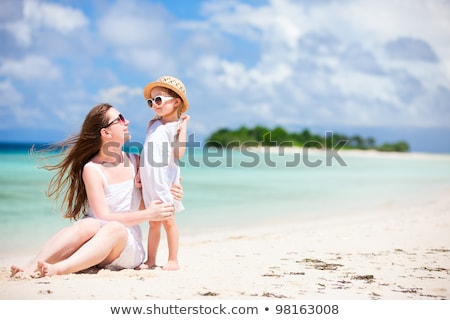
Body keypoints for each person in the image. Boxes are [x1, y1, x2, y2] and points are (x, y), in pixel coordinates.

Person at [10, 103, 183, 277]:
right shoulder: (92, 169)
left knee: (114, 227)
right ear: (106, 132)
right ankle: (31, 266)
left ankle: (61, 268)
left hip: (125, 245)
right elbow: (103, 217)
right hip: (93, 240)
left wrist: (172, 190)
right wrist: (148, 214)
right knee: (88, 223)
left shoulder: (137, 161)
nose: (127, 122)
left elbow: (155, 189)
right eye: (120, 119)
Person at [139, 75, 190, 271]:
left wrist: (183, 128)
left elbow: (178, 153)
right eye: (151, 101)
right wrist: (138, 174)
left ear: (176, 101)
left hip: (163, 180)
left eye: (158, 99)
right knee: (153, 222)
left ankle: (173, 259)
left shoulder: (175, 127)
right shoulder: (153, 124)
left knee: (168, 221)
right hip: (149, 179)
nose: (154, 105)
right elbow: (146, 151)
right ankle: (150, 260)